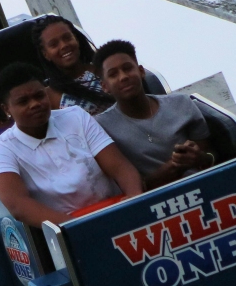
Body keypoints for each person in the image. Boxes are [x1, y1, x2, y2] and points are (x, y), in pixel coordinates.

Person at [0, 62, 143, 227]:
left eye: (39, 96)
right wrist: (79, 228)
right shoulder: (0, 150)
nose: (35, 104)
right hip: (65, 232)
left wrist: (135, 197)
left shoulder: (76, 116)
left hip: (116, 211)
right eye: (23, 101)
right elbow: (18, 206)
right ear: (6, 109)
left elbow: (119, 165)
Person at [93, 40, 217, 189]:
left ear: (141, 71)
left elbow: (212, 156)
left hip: (204, 187)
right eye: (113, 74)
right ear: (104, 86)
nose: (123, 77)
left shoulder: (181, 103)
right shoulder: (100, 127)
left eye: (128, 68)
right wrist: (164, 174)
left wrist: (199, 158)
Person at [32, 15, 113, 115]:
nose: (64, 45)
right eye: (54, 44)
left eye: (67, 38)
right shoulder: (49, 96)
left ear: (76, 39)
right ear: (45, 54)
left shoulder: (105, 71)